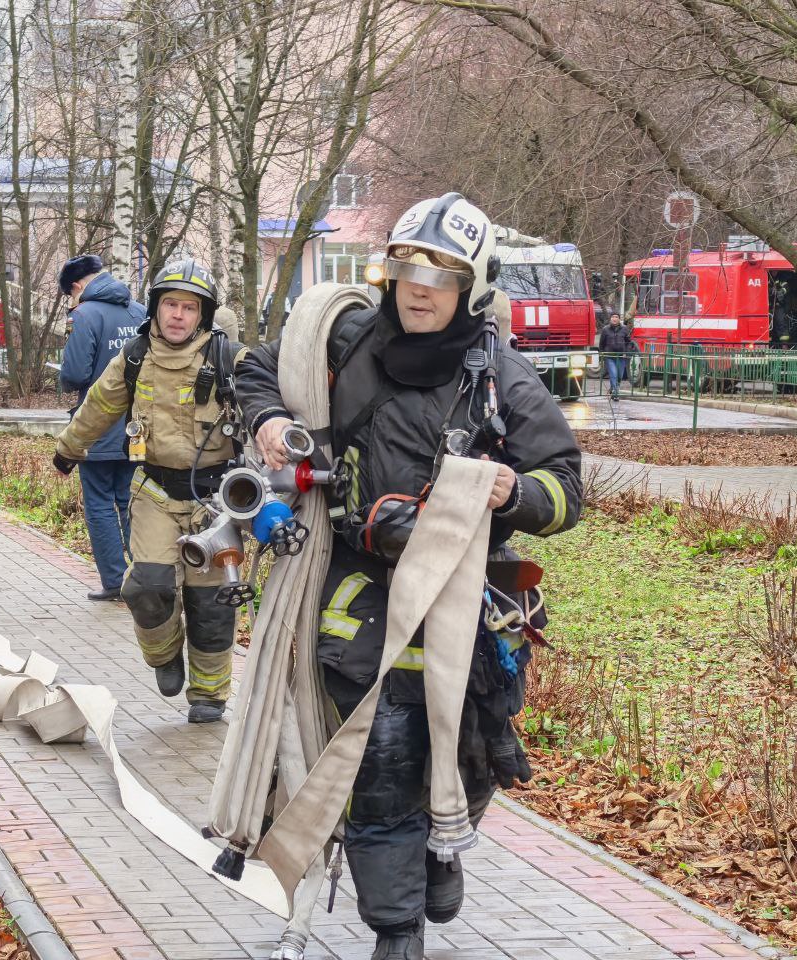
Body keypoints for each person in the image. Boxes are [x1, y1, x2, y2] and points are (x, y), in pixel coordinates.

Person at [237, 193, 582, 960]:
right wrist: (266, 419)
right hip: (360, 593)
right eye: (405, 266)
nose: (419, 285)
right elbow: (259, 365)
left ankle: (441, 847)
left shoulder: (502, 377)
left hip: (467, 602)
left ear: (474, 283)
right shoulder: (347, 338)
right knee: (381, 758)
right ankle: (397, 930)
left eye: (442, 272)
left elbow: (566, 489)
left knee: (473, 755)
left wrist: (513, 492)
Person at [52, 259, 245, 723]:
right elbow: (100, 403)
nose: (178, 315)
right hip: (155, 491)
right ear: (156, 308)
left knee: (210, 603)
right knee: (146, 586)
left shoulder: (228, 360)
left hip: (213, 504)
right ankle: (163, 656)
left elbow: (270, 400)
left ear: (203, 314)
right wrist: (69, 449)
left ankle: (209, 695)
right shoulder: (136, 356)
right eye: (171, 304)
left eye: (189, 307)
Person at [57, 254, 146, 601]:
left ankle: (115, 581)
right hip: (136, 427)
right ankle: (143, 576)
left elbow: (75, 374)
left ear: (77, 286)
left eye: (70, 294)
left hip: (96, 427)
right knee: (130, 500)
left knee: (98, 503)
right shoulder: (139, 312)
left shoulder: (83, 315)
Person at [598, 311, 635, 400]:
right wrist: (601, 354)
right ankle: (616, 393)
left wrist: (627, 352)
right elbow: (601, 344)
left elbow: (629, 342)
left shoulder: (624, 329)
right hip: (609, 356)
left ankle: (613, 388)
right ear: (610, 319)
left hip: (621, 356)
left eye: (616, 317)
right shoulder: (605, 329)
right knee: (613, 374)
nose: (614, 319)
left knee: (619, 375)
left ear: (619, 319)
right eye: (613, 317)